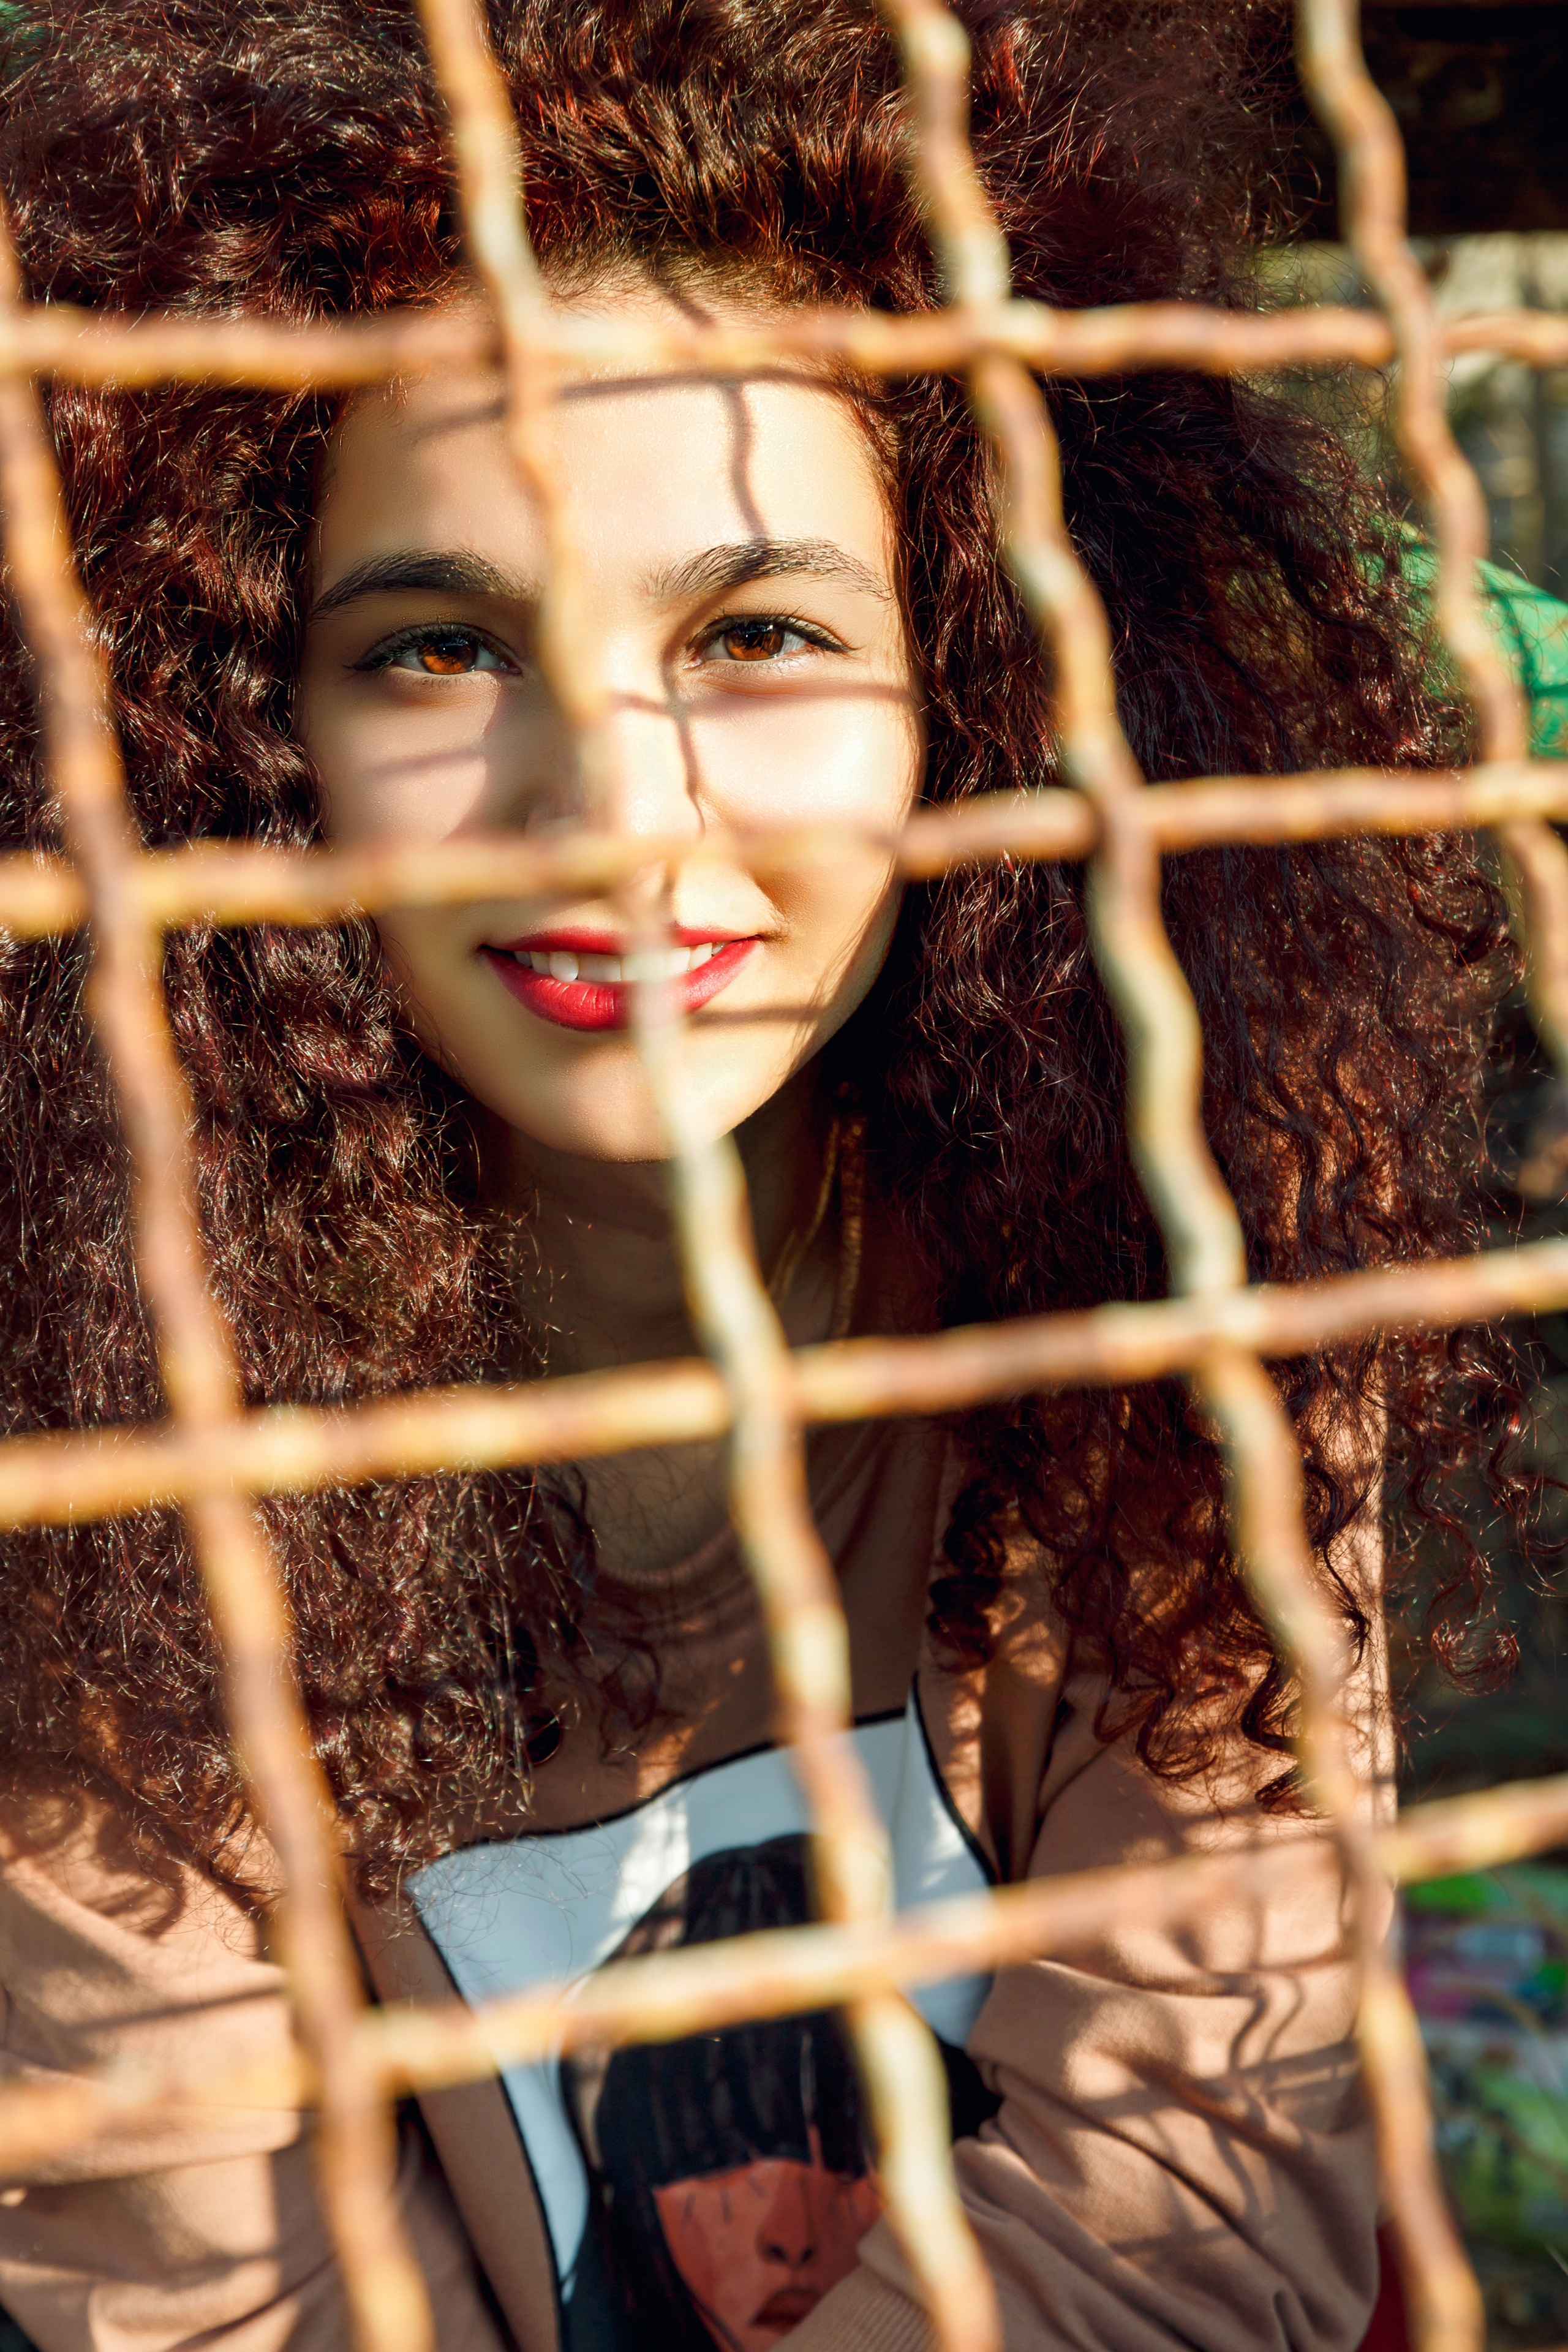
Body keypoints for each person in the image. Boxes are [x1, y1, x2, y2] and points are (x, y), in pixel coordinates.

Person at [0, 0, 1542, 2346]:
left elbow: (1193, 2214)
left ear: (980, 698)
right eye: (434, 652)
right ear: (245, 752)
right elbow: (215, 2304)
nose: (611, 810)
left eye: (759, 633)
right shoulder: (99, 1466)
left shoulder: (1167, 1290)